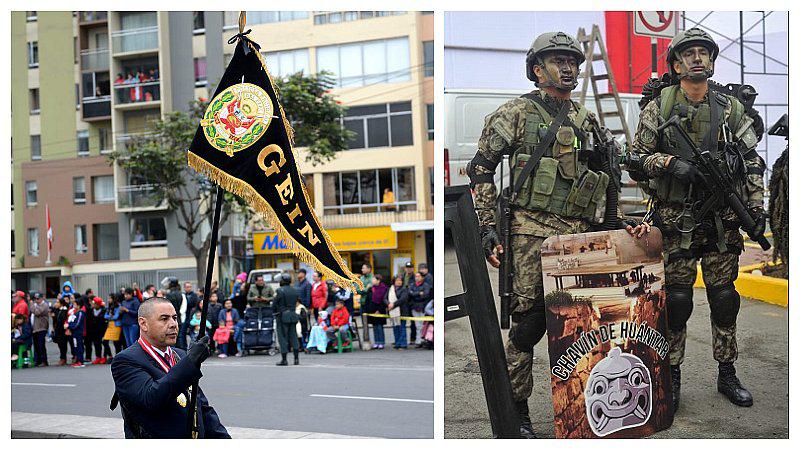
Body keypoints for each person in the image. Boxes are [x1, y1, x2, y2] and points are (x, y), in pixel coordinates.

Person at [465, 31, 649, 438]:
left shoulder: (586, 119)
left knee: (581, 323)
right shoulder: (515, 112)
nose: (567, 68)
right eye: (557, 61)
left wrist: (618, 221)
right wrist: (487, 227)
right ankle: (517, 410)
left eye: (572, 62)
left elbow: (608, 175)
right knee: (529, 325)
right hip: (532, 233)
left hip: (579, 236)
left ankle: (583, 405)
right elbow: (480, 169)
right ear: (537, 69)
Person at [630, 28, 762, 410]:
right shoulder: (660, 106)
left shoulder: (730, 108)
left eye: (704, 53)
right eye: (689, 54)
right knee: (677, 302)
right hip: (676, 221)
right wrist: (671, 164)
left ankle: (727, 372)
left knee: (724, 299)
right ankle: (671, 374)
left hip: (721, 221)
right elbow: (636, 159)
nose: (698, 58)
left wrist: (755, 210)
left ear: (712, 61)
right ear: (676, 64)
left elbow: (752, 162)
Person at [110, 297, 229, 438]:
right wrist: (190, 362)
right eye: (164, 319)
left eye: (175, 318)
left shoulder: (180, 355)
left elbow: (201, 407)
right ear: (143, 324)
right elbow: (151, 399)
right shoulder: (125, 361)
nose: (173, 324)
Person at [273, 273, 300, 366]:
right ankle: (296, 359)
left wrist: (274, 311)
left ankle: (284, 360)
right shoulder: (295, 290)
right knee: (294, 337)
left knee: (282, 338)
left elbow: (274, 304)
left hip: (282, 316)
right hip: (293, 315)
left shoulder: (280, 290)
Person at [364, 275, 388, 349]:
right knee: (374, 326)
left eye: (374, 279)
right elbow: (367, 300)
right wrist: (368, 310)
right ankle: (376, 342)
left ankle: (381, 342)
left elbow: (383, 300)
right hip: (372, 310)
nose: (372, 281)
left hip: (380, 311)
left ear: (378, 280)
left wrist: (379, 310)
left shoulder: (384, 288)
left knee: (379, 326)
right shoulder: (371, 289)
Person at [407, 272, 430, 346]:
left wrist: (415, 294)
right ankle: (418, 341)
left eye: (418, 276)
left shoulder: (426, 285)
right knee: (417, 325)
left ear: (422, 277)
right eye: (416, 276)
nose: (417, 278)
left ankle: (422, 340)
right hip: (414, 307)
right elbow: (410, 293)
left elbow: (426, 294)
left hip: (423, 307)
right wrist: (419, 293)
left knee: (422, 325)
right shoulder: (412, 285)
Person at [387, 276, 409, 350]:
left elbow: (403, 299)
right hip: (393, 312)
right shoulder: (390, 289)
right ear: (394, 281)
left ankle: (403, 344)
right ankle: (397, 343)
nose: (399, 282)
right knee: (395, 328)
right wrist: (388, 304)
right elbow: (385, 298)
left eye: (400, 280)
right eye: (397, 280)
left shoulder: (404, 289)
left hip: (402, 311)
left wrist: (393, 304)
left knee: (402, 328)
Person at [86, 297, 108, 364]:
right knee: (96, 344)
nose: (93, 305)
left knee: (104, 343)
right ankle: (98, 357)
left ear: (98, 304)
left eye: (95, 304)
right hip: (94, 330)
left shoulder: (104, 310)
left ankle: (104, 357)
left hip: (102, 330)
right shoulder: (91, 310)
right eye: (93, 303)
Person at [30, 292, 50, 366]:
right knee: (36, 345)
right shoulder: (36, 305)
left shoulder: (44, 305)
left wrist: (32, 305)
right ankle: (37, 360)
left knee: (41, 345)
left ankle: (44, 361)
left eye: (38, 298)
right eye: (35, 299)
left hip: (41, 328)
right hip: (35, 328)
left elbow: (37, 312)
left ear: (42, 298)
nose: (36, 300)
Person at [66, 297, 86, 367]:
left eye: (75, 304)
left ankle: (80, 361)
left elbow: (77, 323)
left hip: (78, 333)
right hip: (74, 333)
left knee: (79, 346)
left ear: (79, 305)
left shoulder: (80, 313)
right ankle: (77, 360)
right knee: (76, 346)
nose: (73, 305)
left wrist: (69, 326)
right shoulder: (75, 312)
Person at [104, 294, 123, 362]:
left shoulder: (118, 306)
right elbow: (105, 316)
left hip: (116, 325)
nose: (108, 300)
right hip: (110, 325)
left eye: (110, 298)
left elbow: (116, 317)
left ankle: (117, 357)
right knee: (105, 341)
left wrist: (110, 317)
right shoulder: (109, 307)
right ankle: (110, 356)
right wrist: (111, 316)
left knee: (116, 342)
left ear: (113, 299)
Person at [51, 297, 70, 366]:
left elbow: (63, 319)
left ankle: (63, 358)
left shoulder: (65, 310)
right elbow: (55, 319)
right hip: (57, 329)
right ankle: (62, 358)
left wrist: (55, 316)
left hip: (63, 329)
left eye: (57, 302)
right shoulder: (56, 309)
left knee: (63, 344)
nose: (56, 304)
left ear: (61, 304)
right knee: (59, 344)